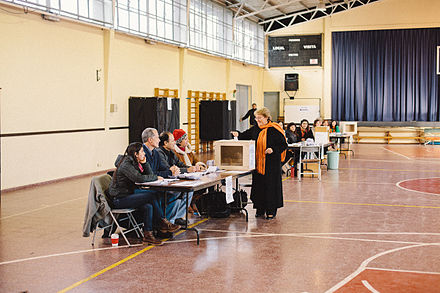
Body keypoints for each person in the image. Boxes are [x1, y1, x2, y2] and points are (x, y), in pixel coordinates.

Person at [107, 142, 180, 245]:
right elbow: (139, 178)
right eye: (142, 151)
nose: (144, 153)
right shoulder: (126, 164)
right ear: (136, 154)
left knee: (148, 206)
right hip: (120, 199)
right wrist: (155, 177)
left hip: (129, 194)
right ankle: (161, 222)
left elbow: (149, 174)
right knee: (152, 195)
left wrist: (145, 163)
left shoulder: (134, 162)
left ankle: (148, 235)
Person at [231, 107, 287, 219]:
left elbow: (283, 145)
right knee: (259, 187)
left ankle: (271, 211)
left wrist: (273, 149)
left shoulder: (274, 129)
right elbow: (245, 135)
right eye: (256, 118)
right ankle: (260, 209)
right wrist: (237, 134)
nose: (257, 120)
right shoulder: (256, 129)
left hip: (271, 164)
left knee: (270, 188)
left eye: (259, 118)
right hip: (259, 164)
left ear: (266, 118)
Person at [141, 128, 190, 226]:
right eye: (157, 138)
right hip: (147, 187)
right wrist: (169, 171)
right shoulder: (144, 153)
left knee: (181, 194)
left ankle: (169, 222)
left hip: (156, 183)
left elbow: (164, 169)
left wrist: (173, 170)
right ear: (150, 140)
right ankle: (164, 224)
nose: (159, 140)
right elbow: (151, 174)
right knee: (174, 194)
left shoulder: (155, 152)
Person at [157, 131, 195, 226]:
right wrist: (186, 170)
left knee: (190, 190)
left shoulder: (171, 152)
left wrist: (189, 168)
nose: (175, 142)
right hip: (165, 182)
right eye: (173, 140)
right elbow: (168, 169)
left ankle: (178, 216)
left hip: (174, 179)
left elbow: (179, 164)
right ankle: (169, 220)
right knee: (178, 192)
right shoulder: (159, 153)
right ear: (165, 143)